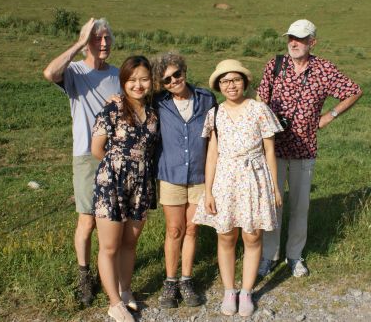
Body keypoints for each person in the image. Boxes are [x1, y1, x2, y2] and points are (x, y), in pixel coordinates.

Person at [256, 19, 363, 278]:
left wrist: (329, 116)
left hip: (305, 148)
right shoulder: (276, 65)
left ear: (312, 42)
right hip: (274, 148)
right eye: (291, 38)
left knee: (300, 206)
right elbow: (260, 98)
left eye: (301, 38)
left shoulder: (324, 69)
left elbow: (354, 91)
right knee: (272, 204)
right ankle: (268, 256)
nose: (294, 43)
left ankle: (294, 256)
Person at [193, 59, 283, 317]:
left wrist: (275, 188)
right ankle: (229, 290)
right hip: (225, 180)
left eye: (235, 80)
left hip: (254, 178)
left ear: (244, 82)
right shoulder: (215, 114)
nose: (230, 85)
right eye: (225, 81)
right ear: (219, 85)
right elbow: (212, 155)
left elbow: (269, 150)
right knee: (226, 234)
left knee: (252, 235)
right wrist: (208, 191)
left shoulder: (259, 110)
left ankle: (246, 291)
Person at [42, 17, 120, 305]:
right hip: (86, 157)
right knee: (87, 220)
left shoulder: (117, 74)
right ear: (87, 42)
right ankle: (84, 275)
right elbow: (50, 73)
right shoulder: (73, 72)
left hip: (115, 157)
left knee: (109, 220)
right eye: (96, 39)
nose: (103, 44)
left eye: (107, 39)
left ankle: (106, 270)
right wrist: (77, 43)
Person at [91, 56, 159, 322]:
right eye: (132, 80)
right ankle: (114, 303)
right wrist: (118, 167)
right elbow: (97, 149)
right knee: (109, 246)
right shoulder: (112, 108)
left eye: (143, 79)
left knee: (130, 243)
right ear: (123, 82)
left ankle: (125, 289)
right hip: (112, 183)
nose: (138, 85)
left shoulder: (154, 113)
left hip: (142, 184)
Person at [152, 53, 216, 308]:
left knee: (192, 229)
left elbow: (215, 136)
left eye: (176, 74)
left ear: (184, 71)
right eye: (166, 79)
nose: (173, 81)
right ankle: (170, 281)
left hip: (200, 175)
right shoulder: (159, 102)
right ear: (161, 84)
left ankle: (186, 280)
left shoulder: (206, 99)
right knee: (174, 229)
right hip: (171, 174)